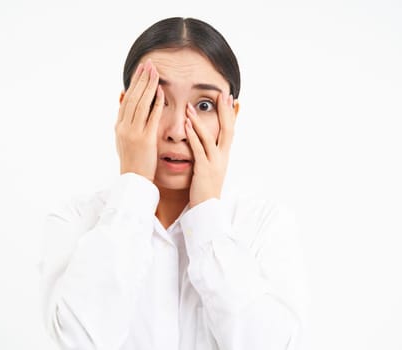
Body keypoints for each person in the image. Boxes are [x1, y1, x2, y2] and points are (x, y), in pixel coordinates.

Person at [39, 16, 308, 350]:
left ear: (232, 116)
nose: (177, 131)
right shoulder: (75, 220)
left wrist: (208, 215)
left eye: (204, 105)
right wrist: (134, 185)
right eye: (156, 101)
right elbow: (77, 341)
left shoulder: (264, 226)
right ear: (126, 109)